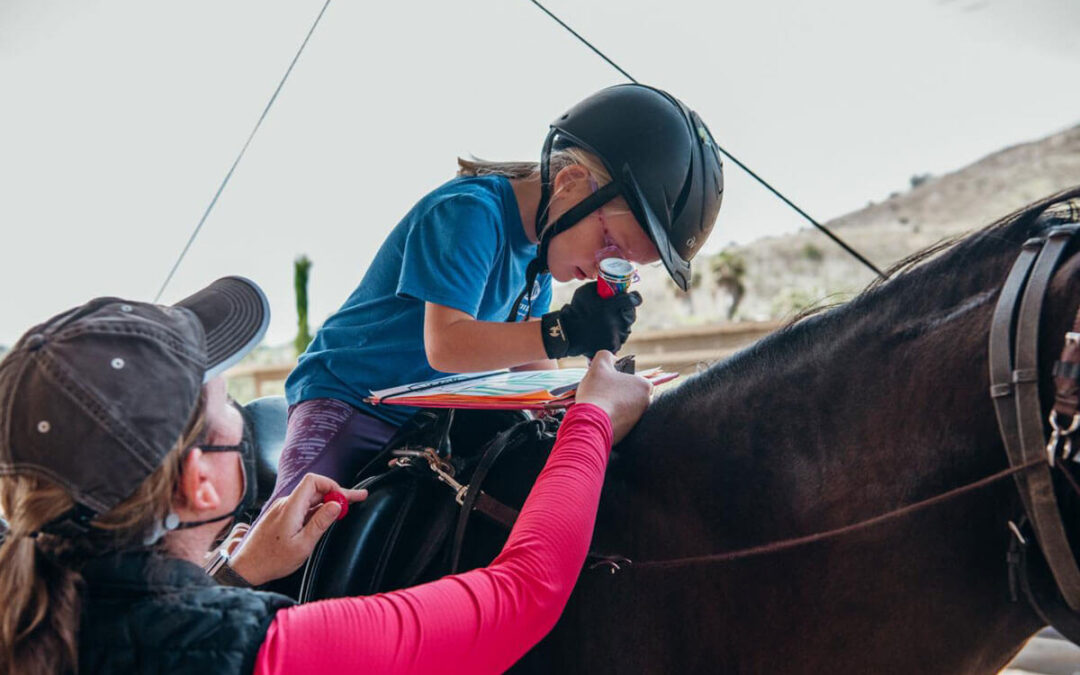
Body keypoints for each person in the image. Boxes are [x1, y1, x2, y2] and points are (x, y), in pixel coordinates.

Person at [0, 277, 653, 674]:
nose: (243, 415)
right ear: (201, 484)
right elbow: (522, 595)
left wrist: (234, 574)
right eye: (227, 405)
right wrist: (591, 418)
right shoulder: (256, 652)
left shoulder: (26, 615)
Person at [268, 82, 724, 513]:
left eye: (624, 263)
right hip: (347, 401)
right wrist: (563, 330)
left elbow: (535, 383)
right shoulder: (470, 213)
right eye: (610, 243)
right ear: (569, 184)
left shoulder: (537, 262)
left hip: (427, 423)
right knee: (294, 534)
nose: (607, 266)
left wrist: (596, 384)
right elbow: (446, 345)